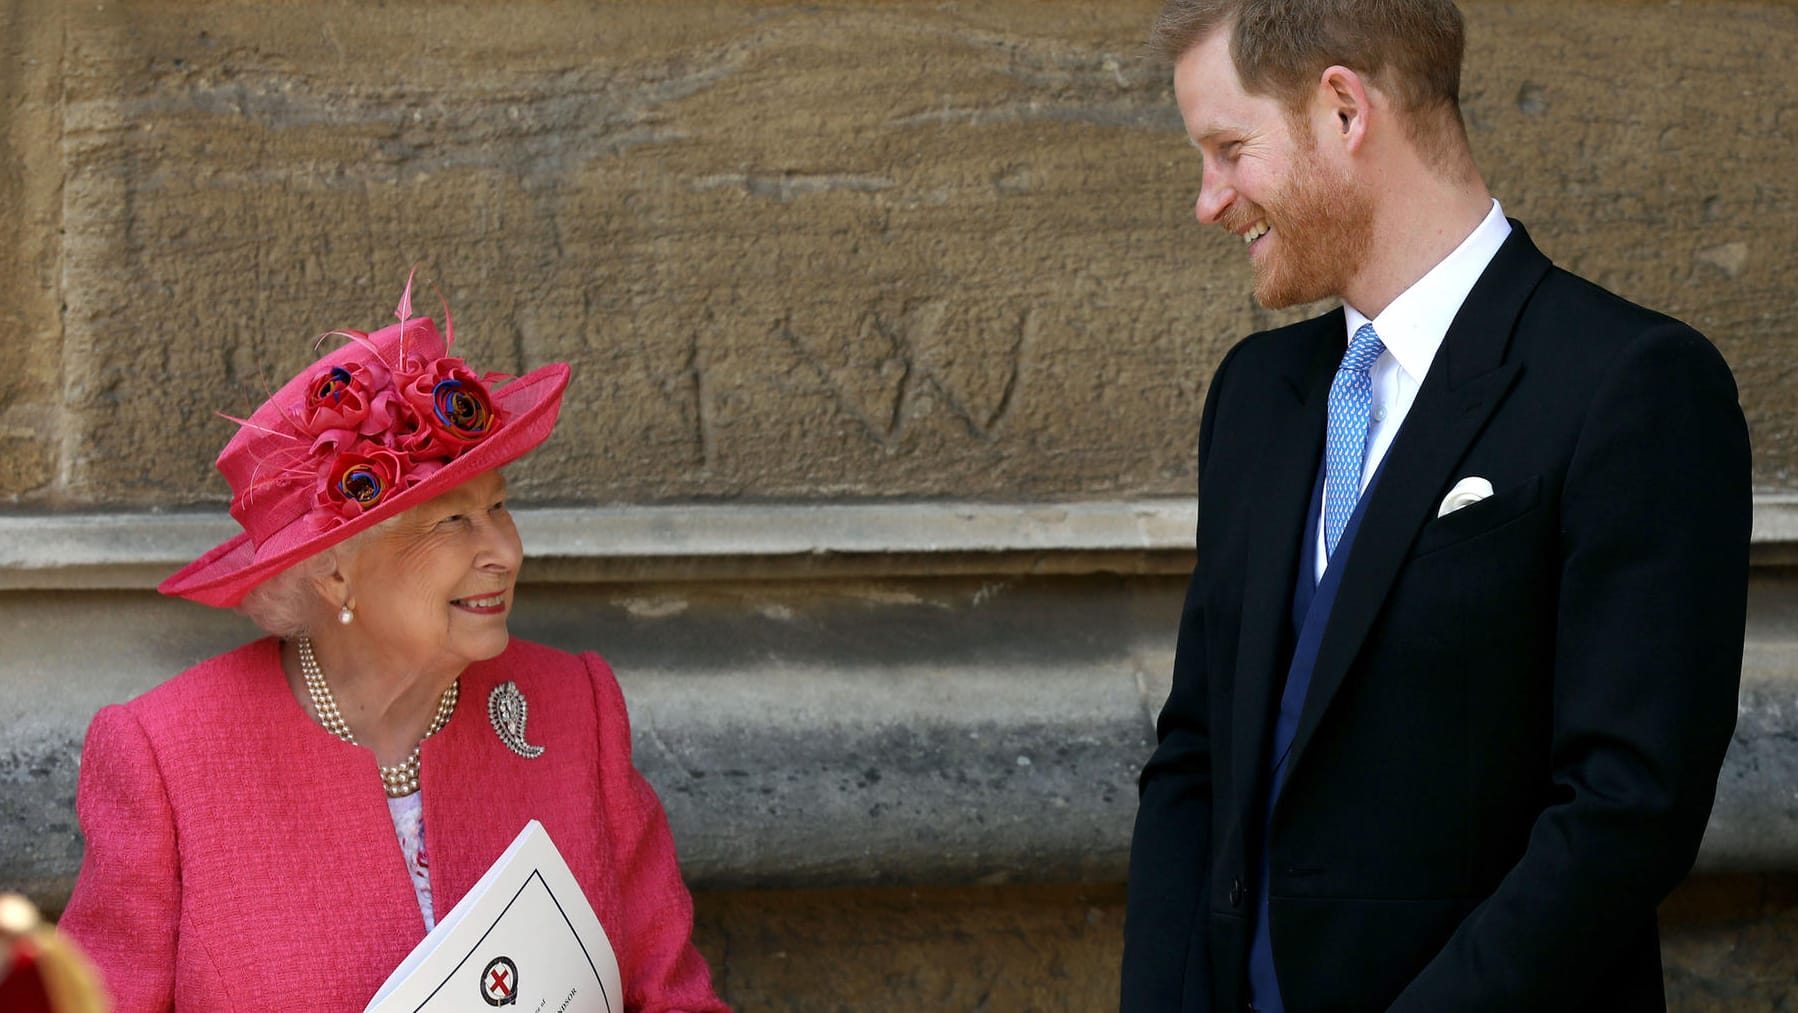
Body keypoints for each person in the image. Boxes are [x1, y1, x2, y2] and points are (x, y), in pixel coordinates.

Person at [1119, 2, 1751, 1010]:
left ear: (1341, 110)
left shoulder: (1630, 384)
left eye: (1229, 149)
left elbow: (1627, 807)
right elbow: (1195, 753)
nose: (1209, 200)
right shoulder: (1259, 395)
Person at [59, 276, 729, 1013]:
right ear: (335, 570)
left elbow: (674, 998)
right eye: (451, 522)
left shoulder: (575, 707)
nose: (504, 550)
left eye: (499, 505)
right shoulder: (166, 756)